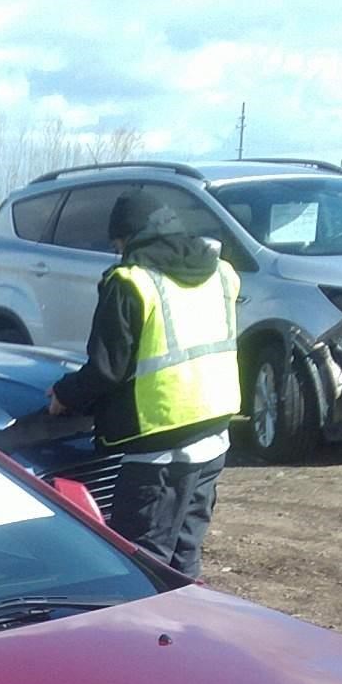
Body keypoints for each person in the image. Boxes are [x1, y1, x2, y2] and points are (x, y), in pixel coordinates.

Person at [46, 195, 242, 579]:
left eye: (117, 244)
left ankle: (151, 634)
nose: (117, 253)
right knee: (185, 552)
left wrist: (64, 395)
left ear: (128, 238)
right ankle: (186, 628)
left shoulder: (130, 282)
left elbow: (107, 370)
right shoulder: (221, 273)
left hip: (161, 443)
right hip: (215, 432)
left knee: (142, 560)